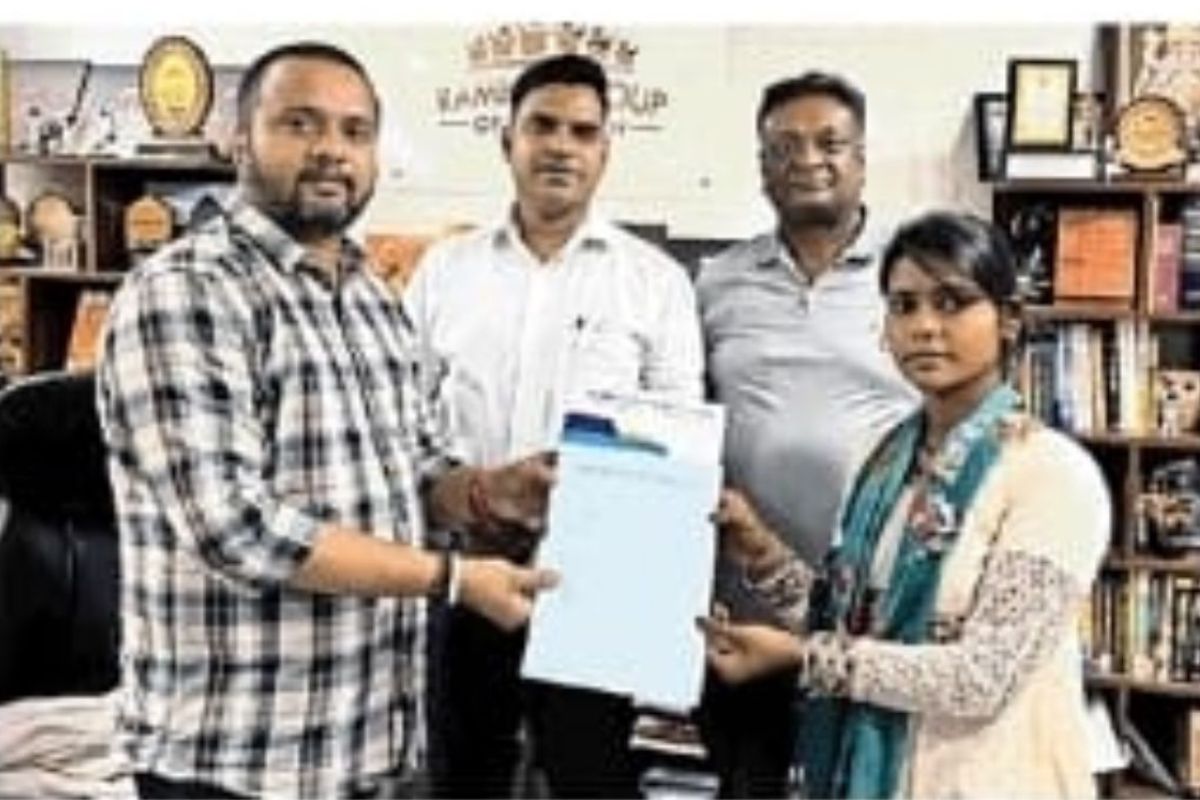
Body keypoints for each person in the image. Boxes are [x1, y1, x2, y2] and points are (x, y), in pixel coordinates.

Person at [96, 41, 558, 800]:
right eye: (300, 123)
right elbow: (235, 527)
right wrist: (453, 579)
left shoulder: (373, 297)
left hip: (363, 747)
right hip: (234, 763)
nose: (332, 151)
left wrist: (485, 492)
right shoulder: (185, 291)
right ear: (239, 139)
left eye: (355, 131)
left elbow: (413, 468)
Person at [698, 210, 1109, 798]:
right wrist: (760, 551)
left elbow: (981, 678)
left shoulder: (1050, 475)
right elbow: (846, 622)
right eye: (904, 305)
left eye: (952, 303)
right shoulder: (884, 463)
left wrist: (803, 659)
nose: (924, 326)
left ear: (1009, 320)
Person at [404, 53, 703, 798]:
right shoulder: (445, 271)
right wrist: (476, 498)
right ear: (507, 139)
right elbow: (401, 423)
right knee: (465, 778)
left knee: (591, 780)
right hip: (469, 577)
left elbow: (676, 453)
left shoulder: (656, 283)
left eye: (583, 131)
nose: (562, 146)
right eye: (542, 126)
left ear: (606, 151)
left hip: (595, 589)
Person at [694, 71, 917, 796]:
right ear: (762, 166)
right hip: (745, 612)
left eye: (829, 143)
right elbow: (685, 415)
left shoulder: (912, 276)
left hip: (877, 613)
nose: (808, 160)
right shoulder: (717, 281)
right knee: (747, 781)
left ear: (861, 158)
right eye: (784, 146)